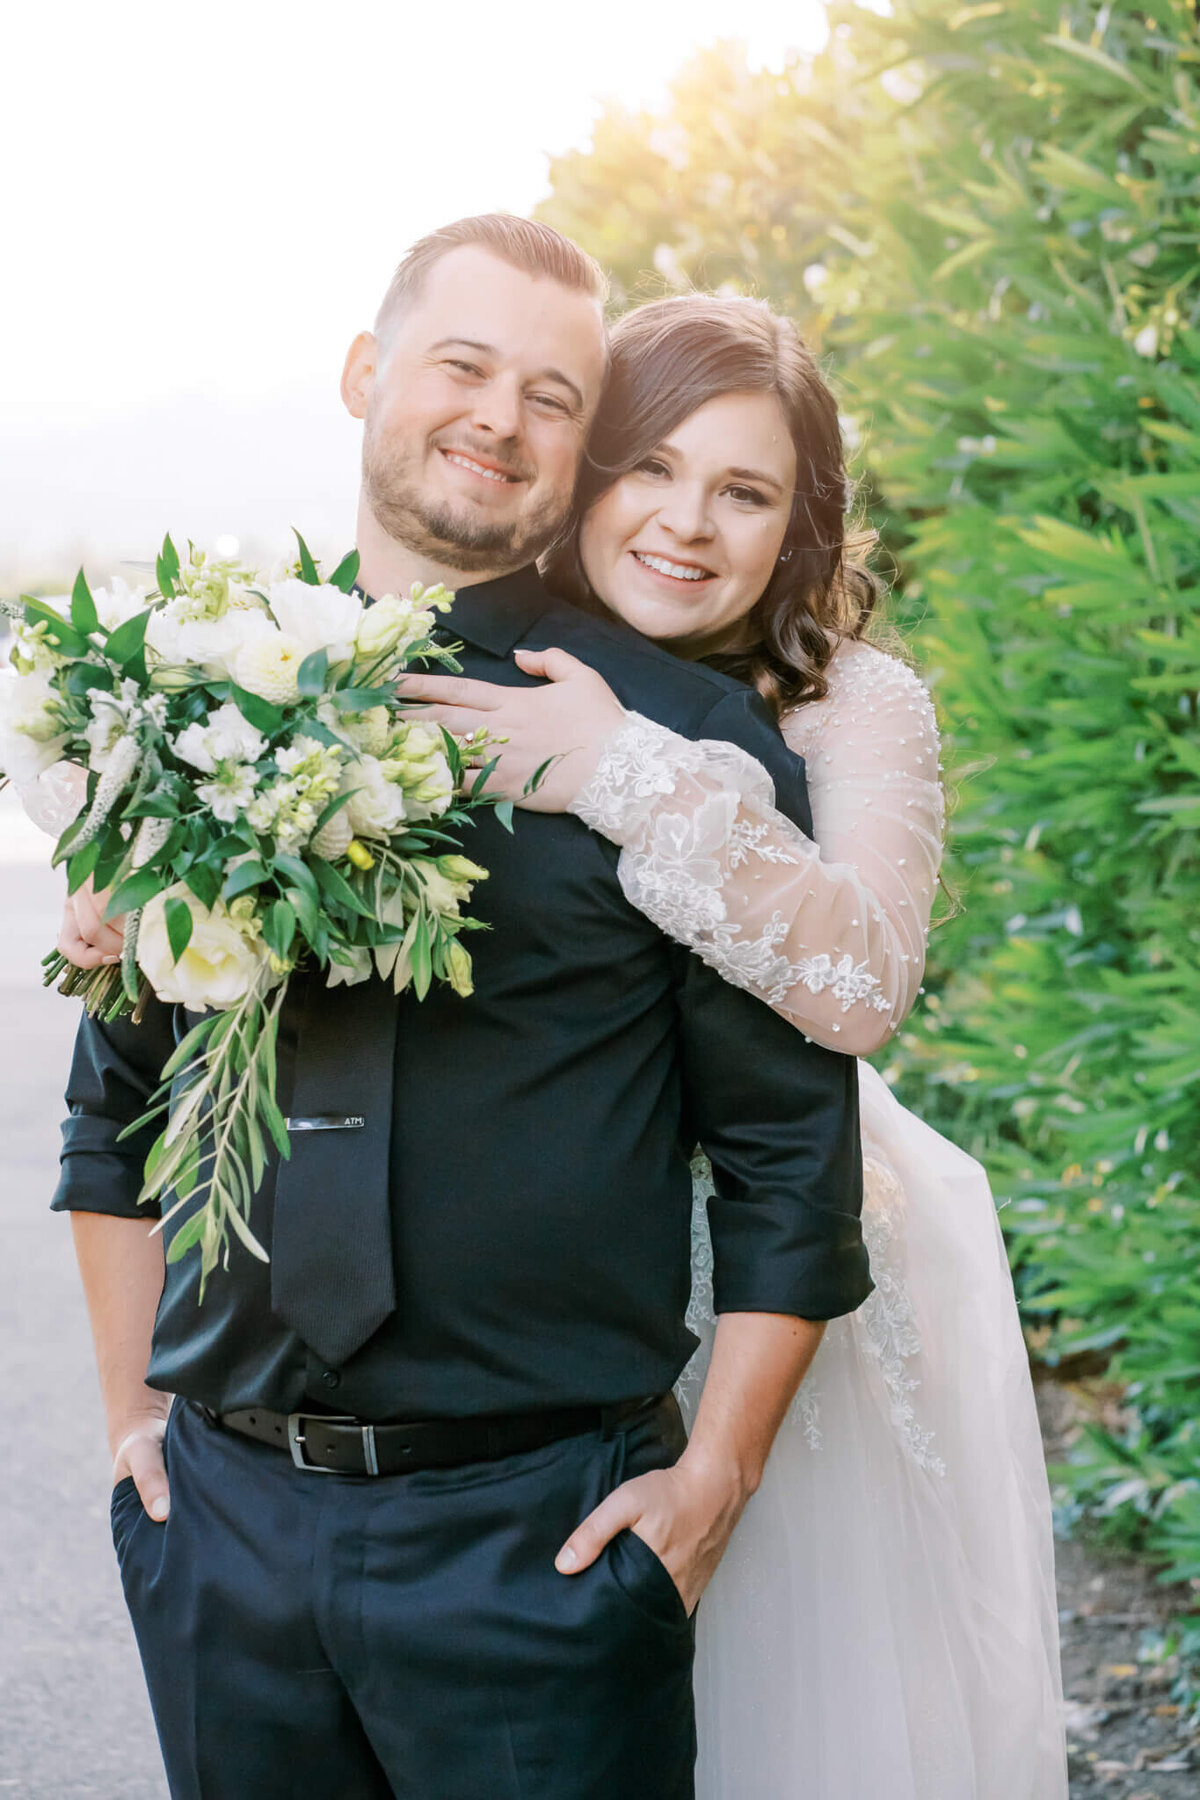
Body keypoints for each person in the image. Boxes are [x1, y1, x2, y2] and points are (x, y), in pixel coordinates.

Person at [50, 219, 870, 1800]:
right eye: (464, 366)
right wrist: (130, 1433)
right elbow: (117, 1107)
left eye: (554, 396)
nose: (501, 417)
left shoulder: (676, 747)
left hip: (542, 1547)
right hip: (219, 1531)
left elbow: (788, 1157)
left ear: (581, 448)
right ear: (368, 374)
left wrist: (715, 1484)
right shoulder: (191, 700)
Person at [393, 294, 1069, 1799]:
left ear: (799, 522)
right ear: (584, 472)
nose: (686, 523)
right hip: (540, 1284)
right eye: (650, 467)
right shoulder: (482, 646)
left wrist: (623, 769)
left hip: (778, 1274)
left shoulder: (851, 702)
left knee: (775, 1695)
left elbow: (862, 975)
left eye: (746, 490)